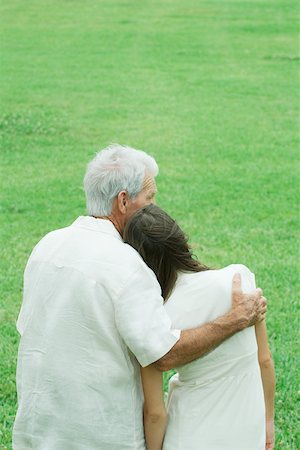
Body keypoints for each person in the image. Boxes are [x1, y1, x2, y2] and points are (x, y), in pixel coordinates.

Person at [13, 144, 267, 450]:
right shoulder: (128, 266)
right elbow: (165, 355)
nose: (154, 207)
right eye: (150, 199)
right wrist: (235, 319)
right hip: (99, 436)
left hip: (38, 429)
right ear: (123, 201)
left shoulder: (47, 245)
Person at [123, 204, 275, 450]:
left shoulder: (158, 315)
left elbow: (155, 414)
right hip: (248, 428)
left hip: (190, 433)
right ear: (180, 239)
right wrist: (267, 421)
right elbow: (264, 360)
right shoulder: (238, 279)